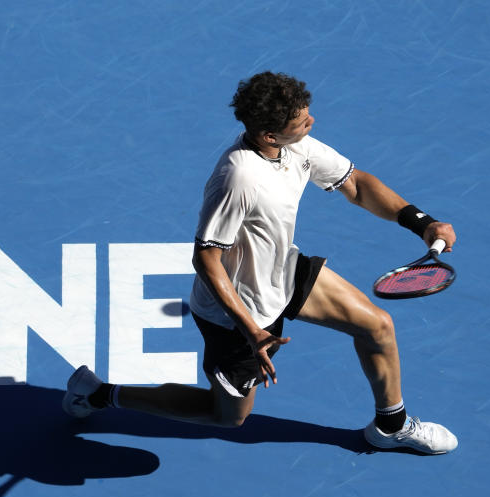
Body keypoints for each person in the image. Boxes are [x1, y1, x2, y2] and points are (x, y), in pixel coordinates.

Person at [63, 71, 458, 455]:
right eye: (302, 121)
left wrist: (421, 223)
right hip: (237, 311)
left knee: (377, 326)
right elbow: (206, 258)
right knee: (227, 417)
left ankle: (390, 426)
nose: (312, 122)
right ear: (269, 134)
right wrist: (251, 329)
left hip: (282, 271)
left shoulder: (295, 146)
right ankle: (100, 393)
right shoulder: (238, 179)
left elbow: (356, 184)